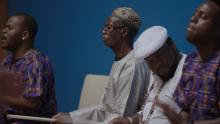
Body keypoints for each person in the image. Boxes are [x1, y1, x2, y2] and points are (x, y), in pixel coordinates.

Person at [53, 7, 150, 124]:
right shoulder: (121, 60)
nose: (103, 31)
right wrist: (72, 116)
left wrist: (74, 122)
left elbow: (119, 119)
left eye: (108, 27)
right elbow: (104, 109)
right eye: (104, 27)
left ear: (124, 32)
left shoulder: (133, 65)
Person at [110, 26, 187, 124]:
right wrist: (128, 121)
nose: (157, 64)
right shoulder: (156, 75)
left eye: (160, 56)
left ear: (172, 44)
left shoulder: (190, 72)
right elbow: (147, 114)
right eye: (150, 61)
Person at [163, 0, 220, 124]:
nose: (193, 18)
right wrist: (176, 118)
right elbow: (186, 111)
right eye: (195, 13)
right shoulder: (191, 62)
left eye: (203, 16)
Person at [0, 13, 57, 123]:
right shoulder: (7, 61)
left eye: (9, 28)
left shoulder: (35, 62)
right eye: (4, 27)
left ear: (24, 35)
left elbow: (32, 103)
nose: (3, 31)